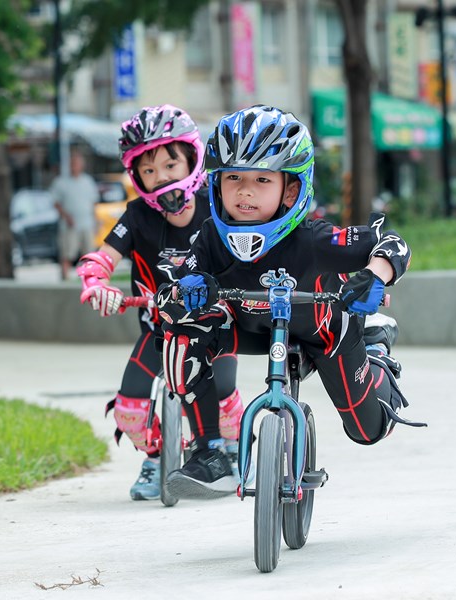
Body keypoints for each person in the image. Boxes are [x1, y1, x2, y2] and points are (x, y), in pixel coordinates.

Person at [155, 105, 426, 499]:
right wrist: (185, 292)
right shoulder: (211, 237)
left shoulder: (313, 239)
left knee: (367, 430)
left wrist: (374, 276)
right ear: (216, 183)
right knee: (180, 334)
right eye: (233, 178)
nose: (244, 191)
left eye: (262, 179)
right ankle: (210, 451)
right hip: (252, 327)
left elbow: (393, 244)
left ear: (292, 189)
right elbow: (173, 293)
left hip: (324, 332)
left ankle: (375, 344)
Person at [75, 104, 245, 501]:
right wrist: (96, 282)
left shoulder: (218, 207)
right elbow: (102, 257)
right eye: (148, 171)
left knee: (223, 403)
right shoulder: (136, 216)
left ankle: (231, 446)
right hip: (158, 329)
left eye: (170, 165)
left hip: (214, 328)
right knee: (129, 411)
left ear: (192, 159)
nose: (160, 178)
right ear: (136, 177)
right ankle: (156, 456)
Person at [51, 150, 100, 280]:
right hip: (69, 224)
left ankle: (89, 279)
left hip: (87, 223)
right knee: (68, 253)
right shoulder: (61, 182)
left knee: (89, 254)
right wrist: (66, 216)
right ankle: (65, 278)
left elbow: (93, 203)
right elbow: (55, 203)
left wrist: (95, 221)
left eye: (77, 163)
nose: (75, 165)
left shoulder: (88, 181)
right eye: (73, 163)